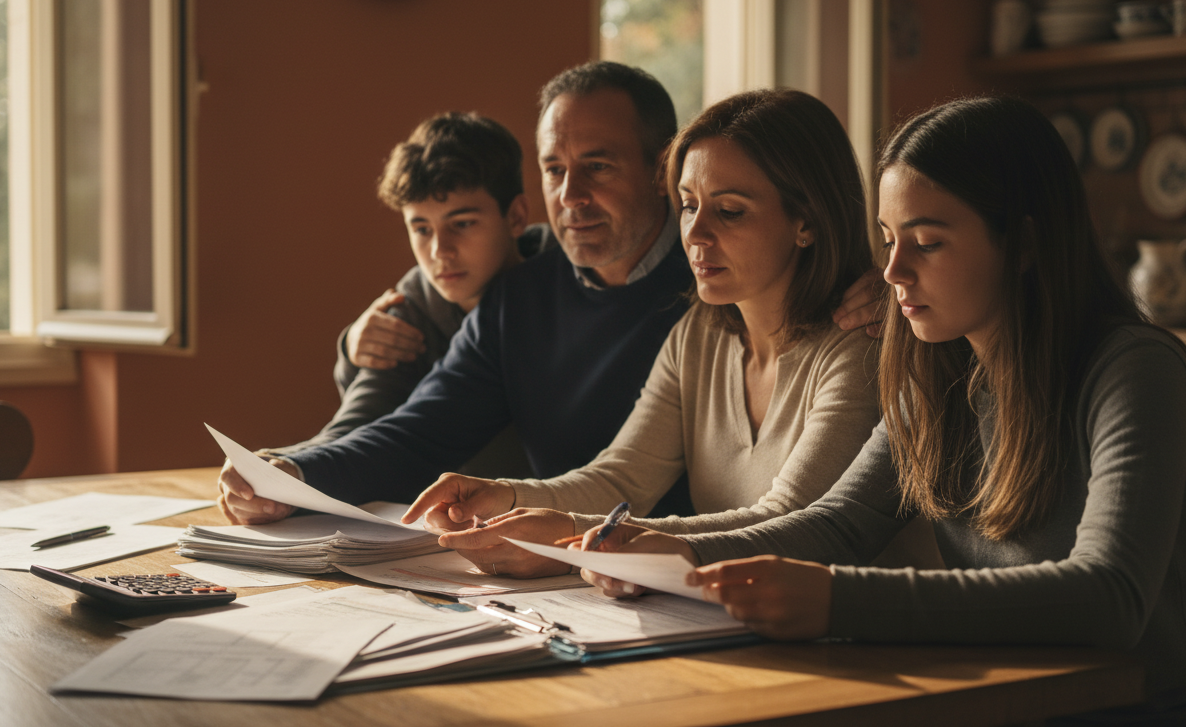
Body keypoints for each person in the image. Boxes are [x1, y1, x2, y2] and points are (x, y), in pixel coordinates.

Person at [580, 96, 1186, 723]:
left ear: (1025, 244)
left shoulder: (1134, 369)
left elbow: (1109, 597)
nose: (893, 269)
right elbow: (839, 526)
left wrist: (838, 599)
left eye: (925, 242)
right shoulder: (942, 373)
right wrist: (676, 549)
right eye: (888, 237)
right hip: (1008, 704)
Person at [216, 62, 885, 531]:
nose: (569, 198)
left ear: (660, 169)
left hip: (682, 575)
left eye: (596, 166)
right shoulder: (521, 297)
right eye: (554, 170)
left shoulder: (721, 284)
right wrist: (292, 472)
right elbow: (422, 430)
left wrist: (884, 288)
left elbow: (800, 518)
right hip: (592, 573)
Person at [401, 89, 888, 578]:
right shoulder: (699, 332)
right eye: (689, 205)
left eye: (730, 211)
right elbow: (623, 474)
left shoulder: (860, 343)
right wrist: (503, 495)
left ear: (806, 220)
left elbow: (789, 522)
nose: (695, 235)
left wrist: (574, 533)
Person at [248, 113, 554, 490]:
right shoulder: (410, 309)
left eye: (462, 223)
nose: (440, 251)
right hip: (443, 526)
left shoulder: (574, 280)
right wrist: (285, 468)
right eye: (422, 229)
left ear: (517, 216)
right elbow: (358, 427)